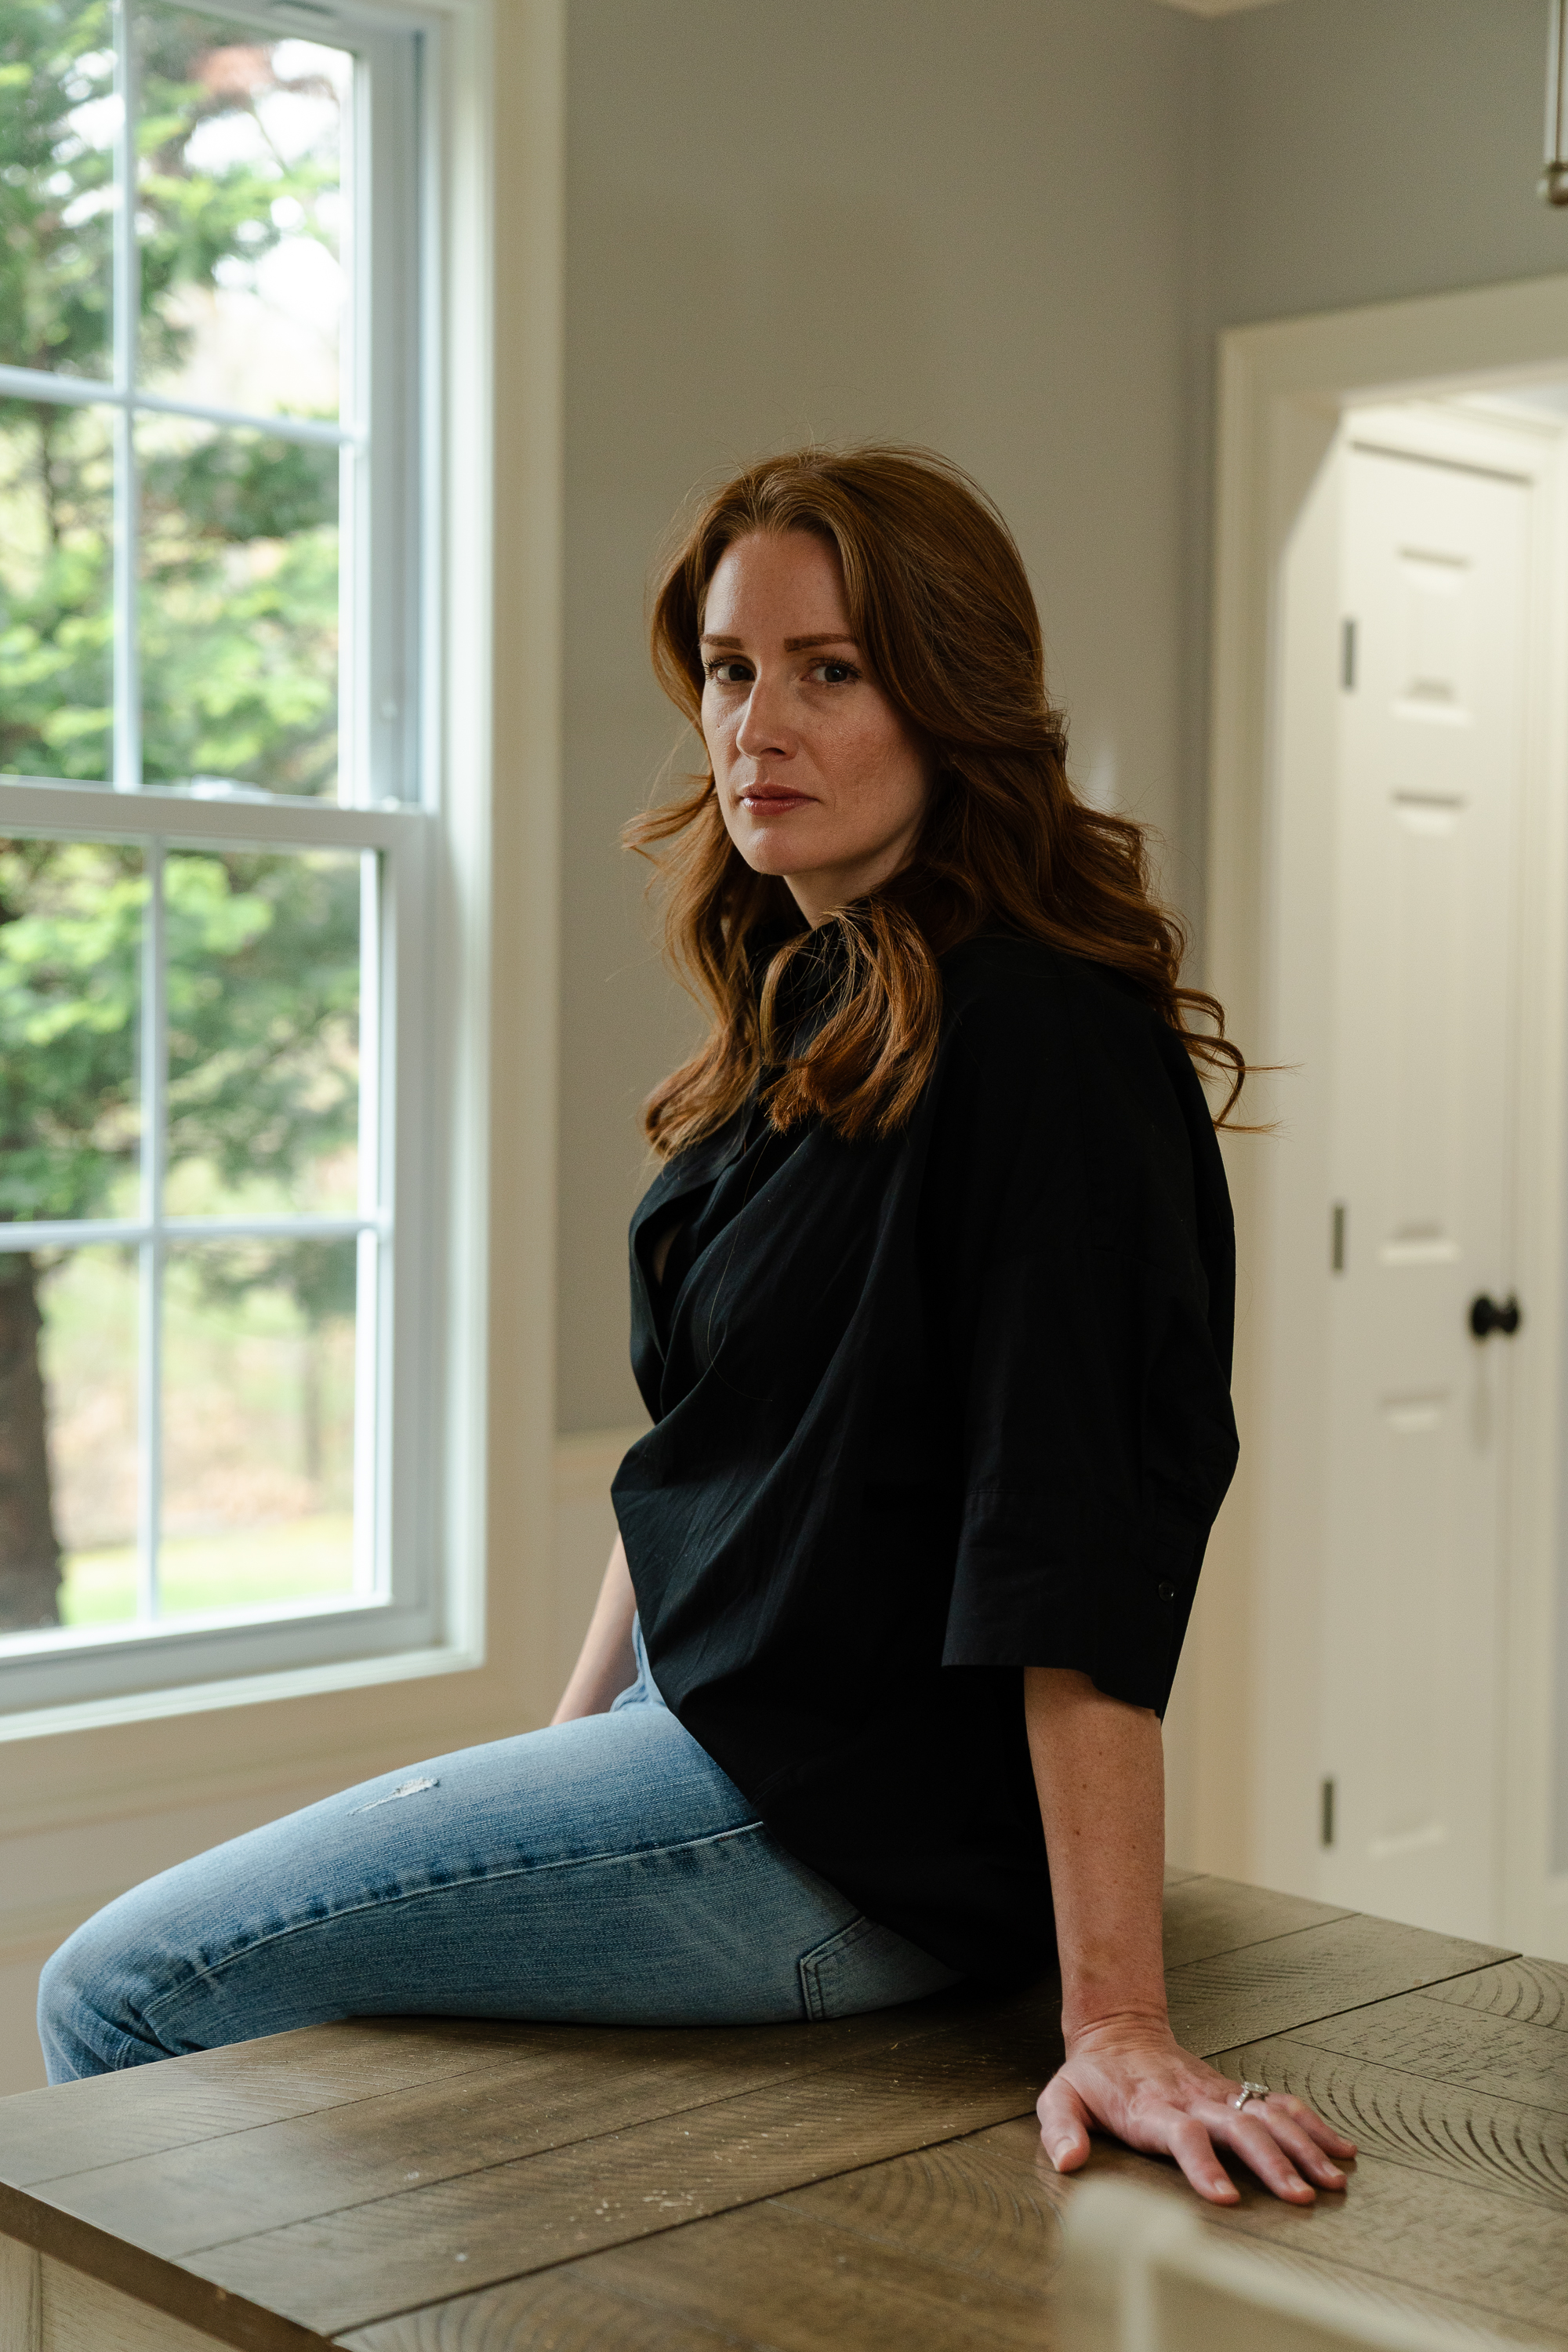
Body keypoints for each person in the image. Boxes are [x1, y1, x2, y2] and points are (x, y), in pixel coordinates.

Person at [38, 445, 1353, 2211]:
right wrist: (558, 1748)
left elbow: (1077, 1538)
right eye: (733, 671)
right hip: (711, 1741)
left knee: (117, 1991)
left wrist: (1113, 2013)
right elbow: (698, 1470)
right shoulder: (822, 1009)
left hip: (829, 1826)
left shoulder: (1044, 1042)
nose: (757, 726)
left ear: (951, 700)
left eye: (830, 670)